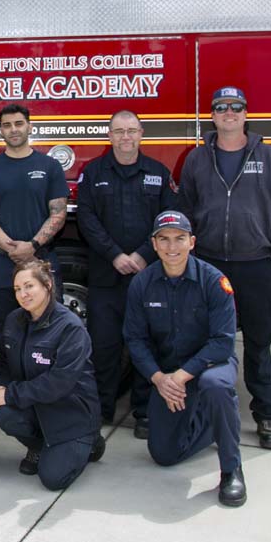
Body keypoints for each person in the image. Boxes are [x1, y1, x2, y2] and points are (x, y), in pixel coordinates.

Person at [178, 86, 271, 451]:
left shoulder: (270, 157)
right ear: (212, 115)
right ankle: (199, 412)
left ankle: (267, 416)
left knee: (259, 344)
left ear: (246, 114)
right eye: (221, 107)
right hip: (209, 264)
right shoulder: (197, 159)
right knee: (204, 341)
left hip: (256, 265)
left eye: (236, 107)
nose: (229, 112)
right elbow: (184, 209)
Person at [123, 211, 246, 507]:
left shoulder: (214, 282)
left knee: (215, 386)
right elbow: (135, 339)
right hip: (167, 374)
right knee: (164, 455)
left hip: (210, 366)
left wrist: (179, 377)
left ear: (192, 242)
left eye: (179, 239)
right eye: (164, 240)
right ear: (153, 244)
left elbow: (222, 342)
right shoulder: (142, 284)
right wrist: (159, 378)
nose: (171, 247)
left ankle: (232, 469)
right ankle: (213, 423)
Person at [75, 109, 176, 436]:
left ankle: (145, 412)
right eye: (119, 131)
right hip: (107, 276)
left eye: (131, 130)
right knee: (103, 345)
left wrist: (144, 255)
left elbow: (168, 221)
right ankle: (101, 408)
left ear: (141, 133)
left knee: (147, 344)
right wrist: (115, 254)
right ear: (110, 135)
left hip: (147, 276)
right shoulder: (93, 173)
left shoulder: (158, 174)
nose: (125, 137)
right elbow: (87, 220)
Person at [0, 259, 105, 491]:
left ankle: (91, 442)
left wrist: (11, 394)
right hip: (35, 406)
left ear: (48, 285)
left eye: (29, 286)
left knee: (53, 479)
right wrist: (0, 388)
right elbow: (4, 362)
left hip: (70, 414)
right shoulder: (14, 320)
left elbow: (59, 382)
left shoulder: (70, 327)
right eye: (17, 289)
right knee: (4, 413)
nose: (23, 294)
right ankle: (40, 446)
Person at [0, 104, 69, 330]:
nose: (13, 129)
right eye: (7, 125)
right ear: (1, 131)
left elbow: (59, 213)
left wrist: (32, 245)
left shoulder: (50, 166)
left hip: (40, 258)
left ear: (29, 127)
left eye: (18, 123)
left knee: (49, 328)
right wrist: (14, 249)